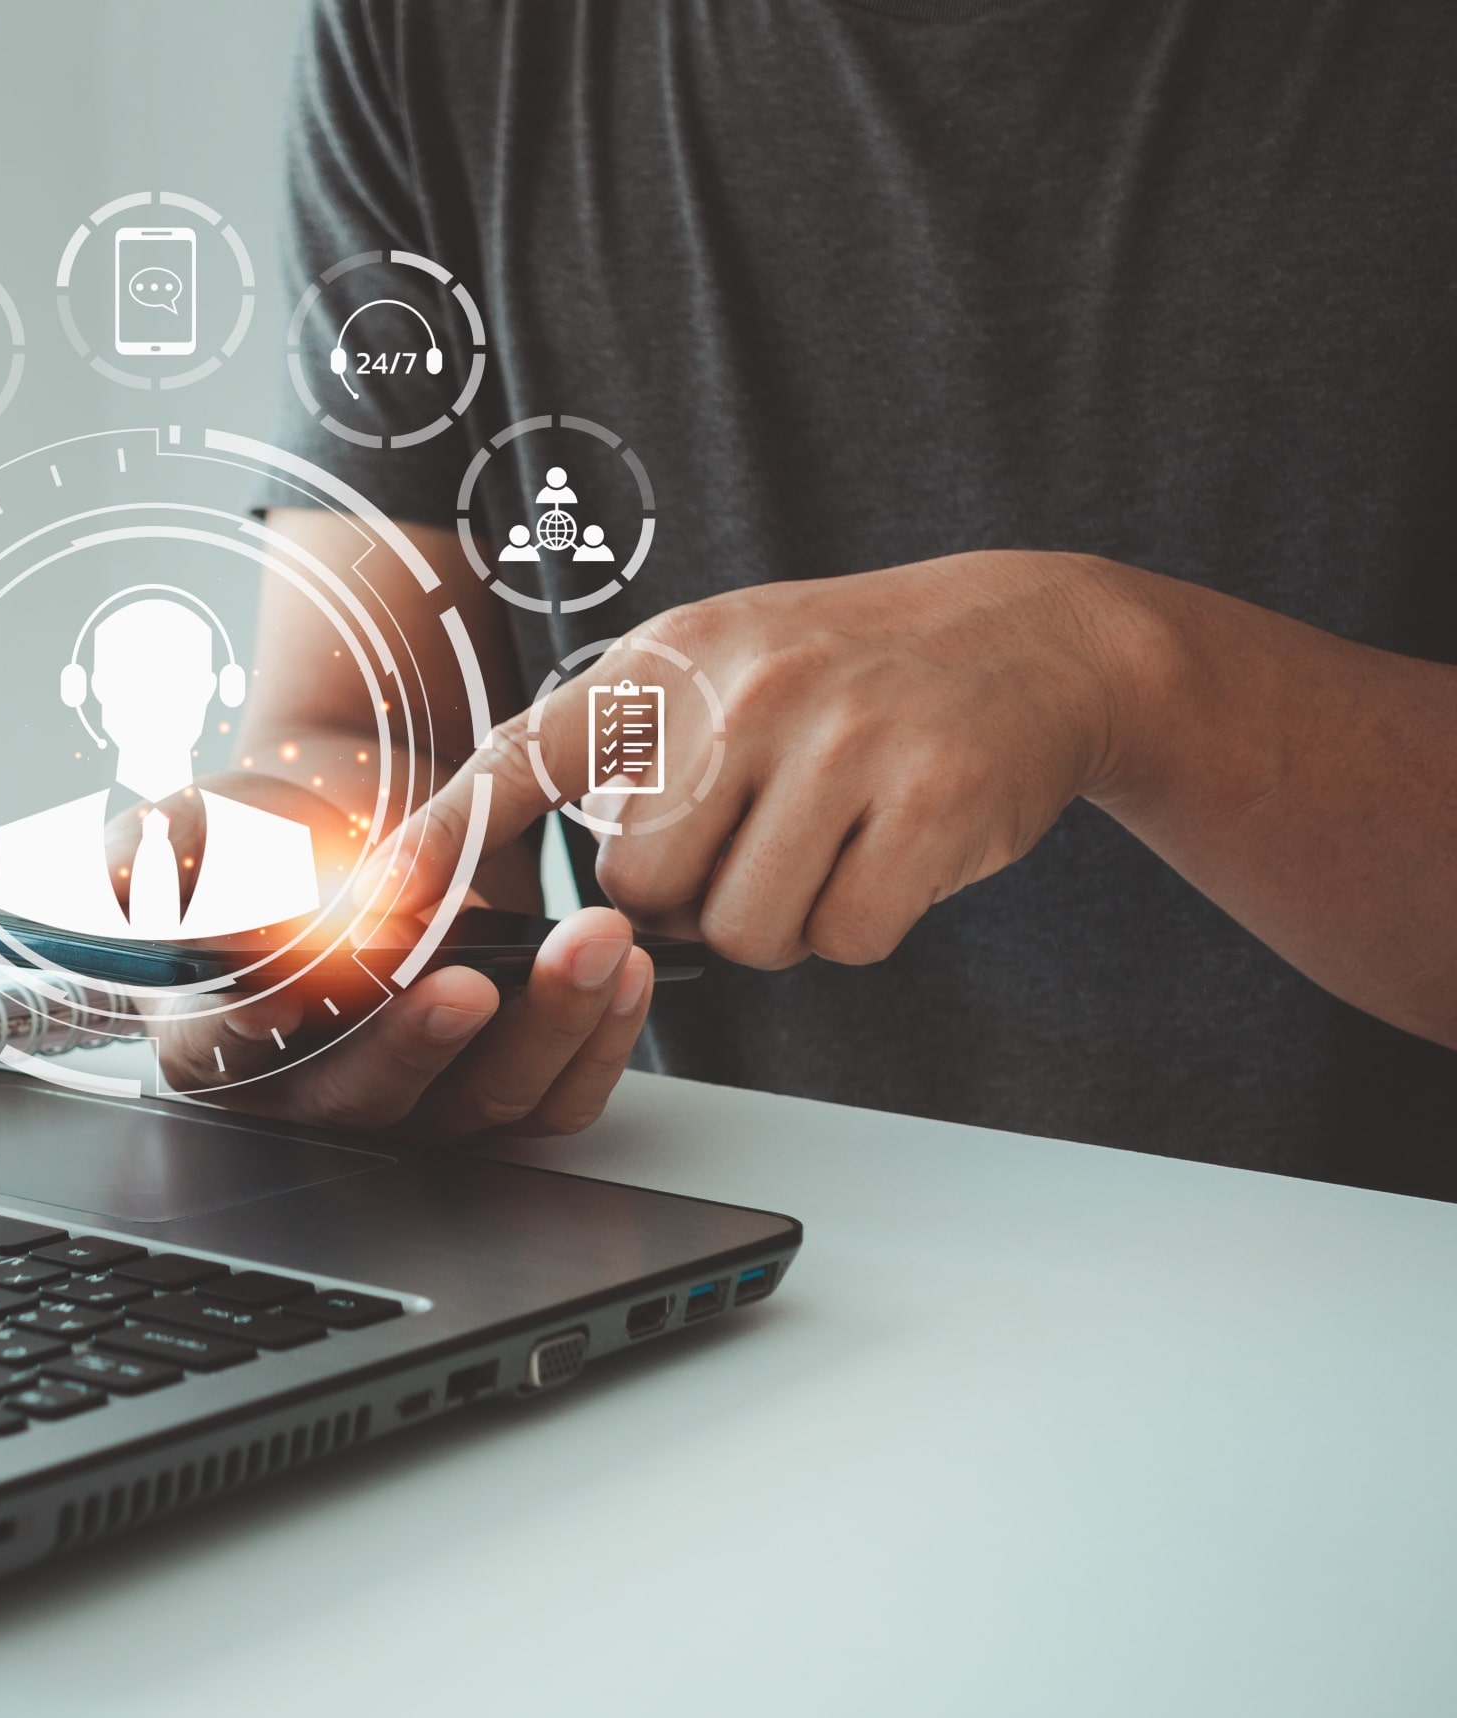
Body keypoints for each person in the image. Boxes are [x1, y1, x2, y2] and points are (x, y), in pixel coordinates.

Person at [157, 0, 1457, 1198]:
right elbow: (372, 735)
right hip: (716, 1265)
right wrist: (272, 907)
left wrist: (1126, 675)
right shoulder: (433, 29)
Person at [0, 596, 318, 938]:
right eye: (131, 674)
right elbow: (316, 730)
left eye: (175, 674)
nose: (154, 696)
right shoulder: (32, 852)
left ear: (212, 688)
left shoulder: (268, 850)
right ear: (91, 687)